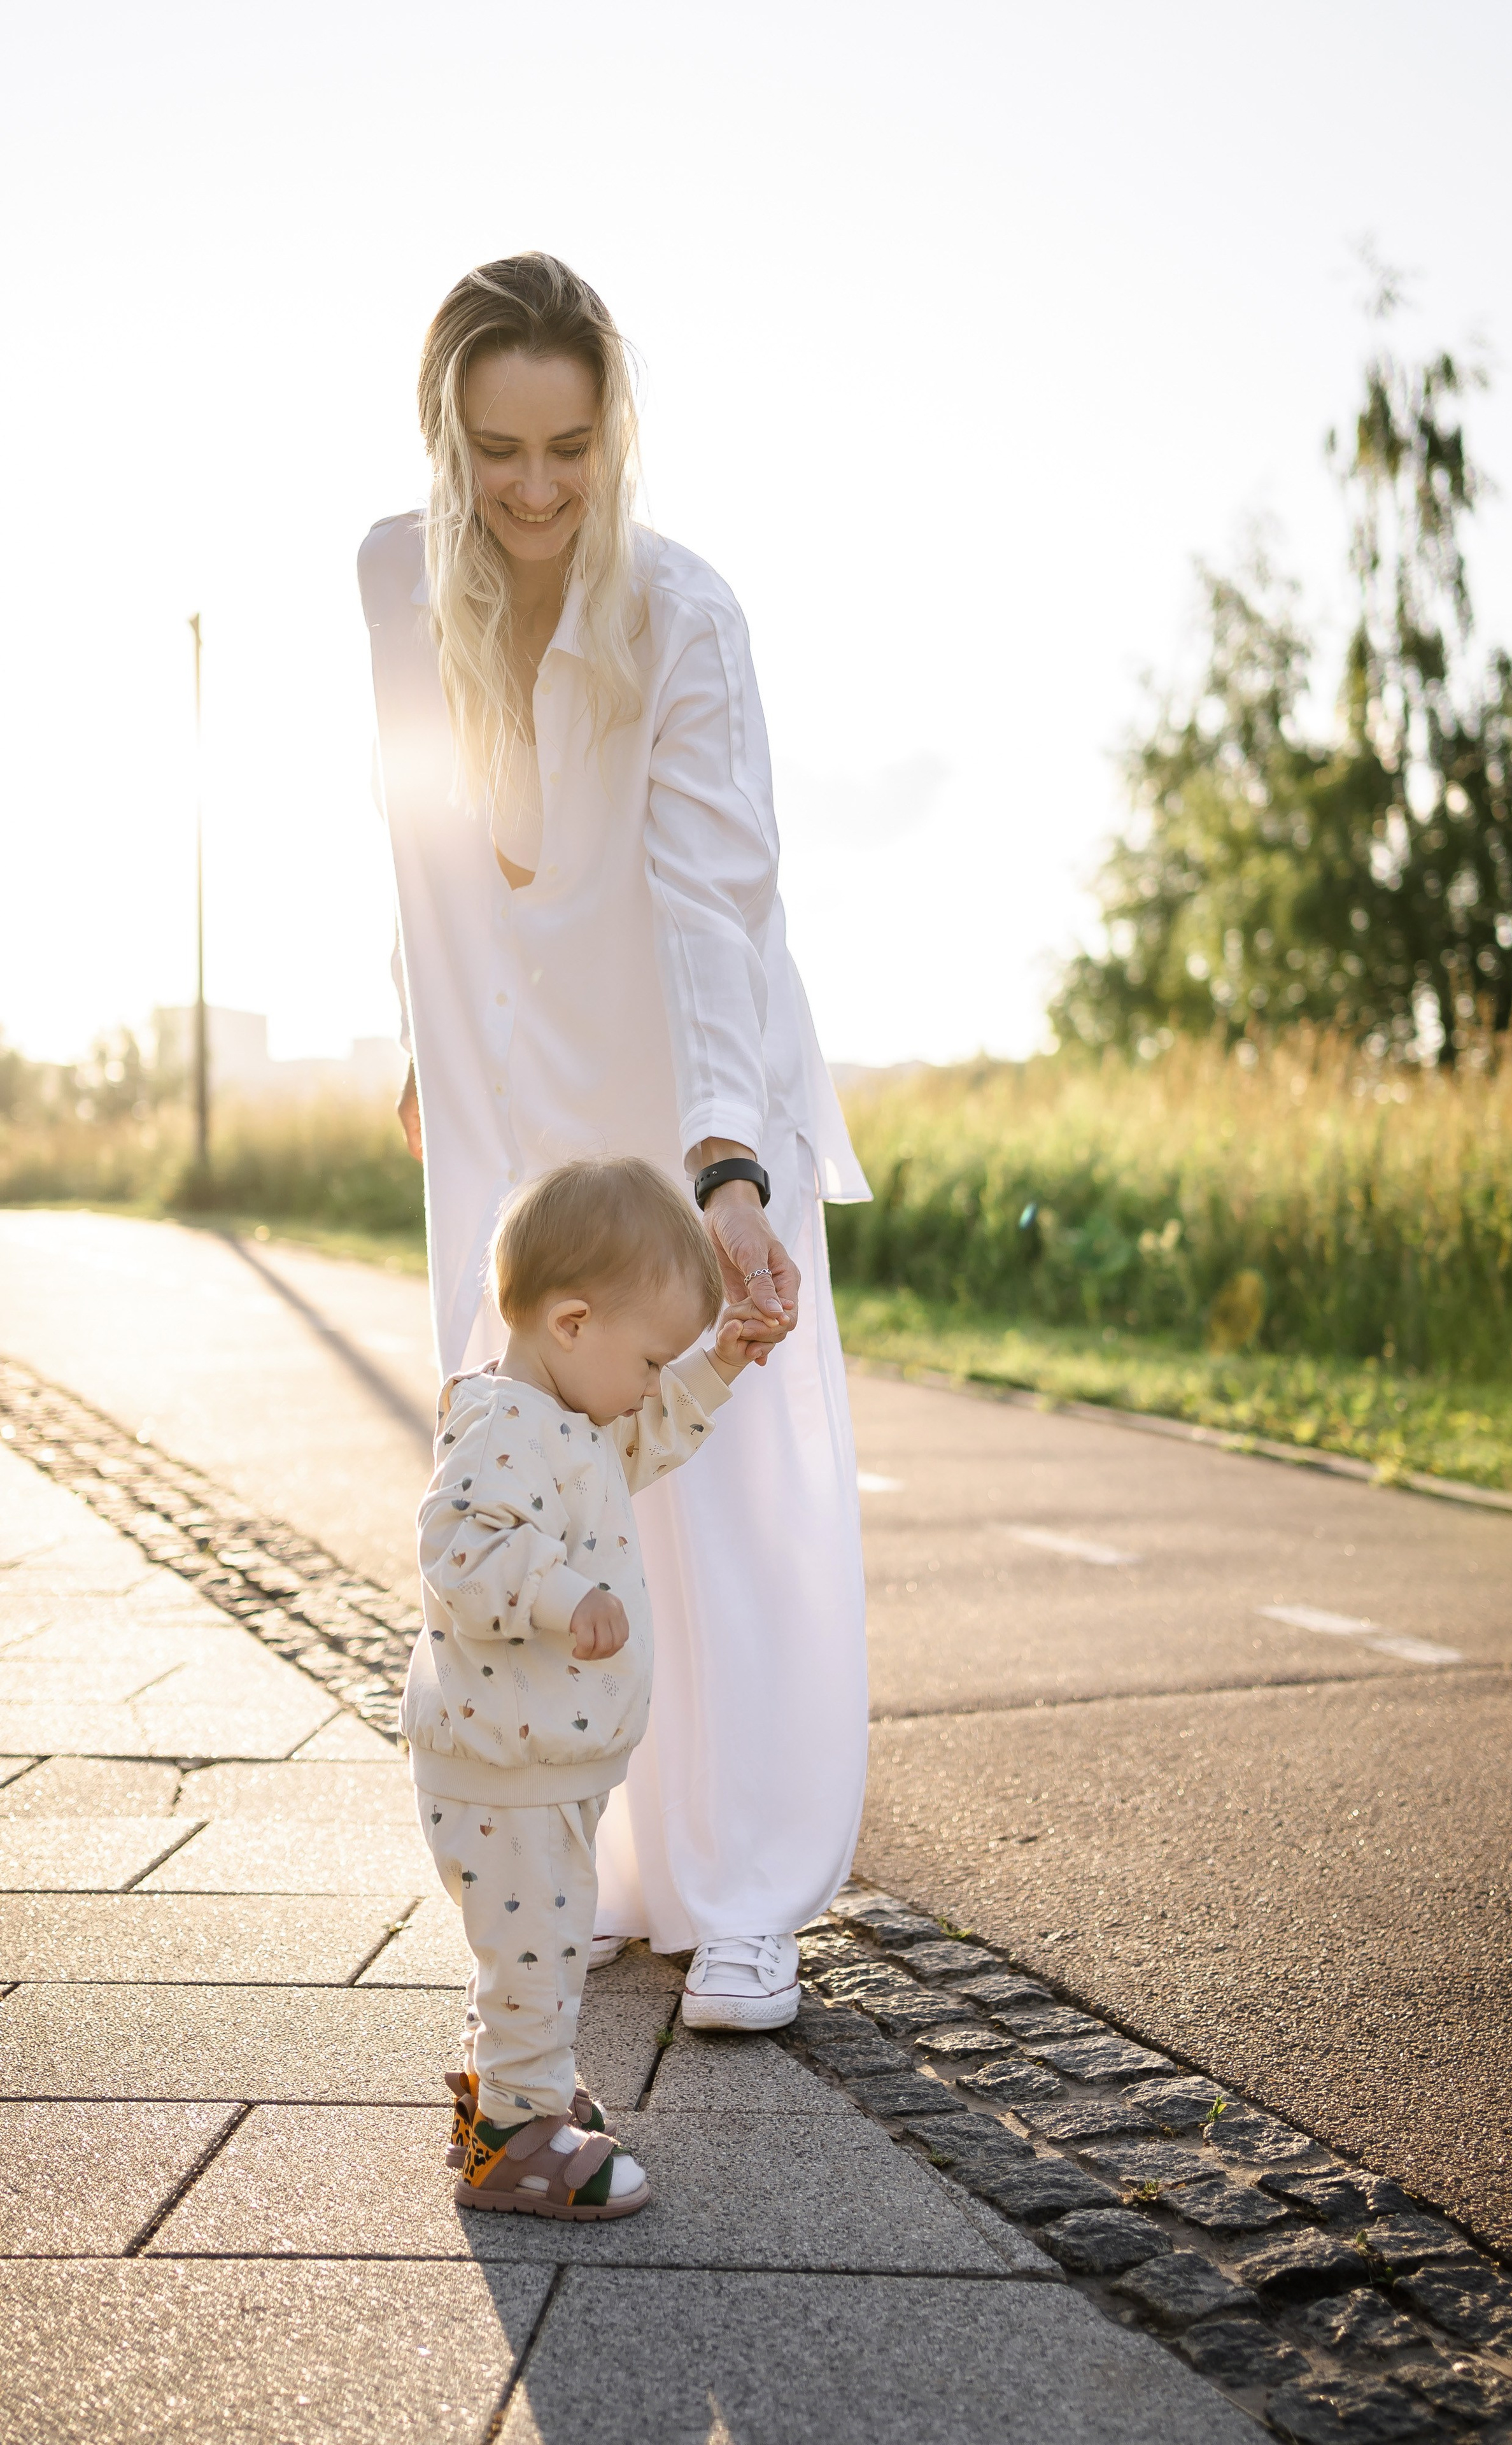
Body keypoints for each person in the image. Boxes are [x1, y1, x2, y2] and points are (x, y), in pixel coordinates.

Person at [359, 250, 871, 2030]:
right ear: (447, 433)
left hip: (682, 1090)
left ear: (612, 432)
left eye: (568, 445)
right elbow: (415, 832)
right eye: (496, 448)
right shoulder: (390, 581)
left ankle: (743, 1898)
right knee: (532, 1487)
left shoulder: (683, 614)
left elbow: (714, 896)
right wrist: (424, 1038)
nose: (533, 490)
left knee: (722, 1496)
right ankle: (594, 1863)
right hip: (514, 1115)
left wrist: (724, 1170)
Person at [410, 1158, 784, 2217]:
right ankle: (520, 2145)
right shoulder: (502, 1425)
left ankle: (502, 2095)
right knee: (538, 1943)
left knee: (535, 1941)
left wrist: (719, 1363)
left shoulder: (565, 1419)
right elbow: (458, 1549)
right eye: (654, 1358)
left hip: (532, 1754)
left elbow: (648, 1436)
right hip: (501, 1764)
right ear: (573, 1323)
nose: (658, 1382)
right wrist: (563, 1593)